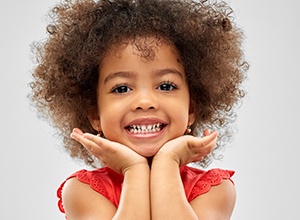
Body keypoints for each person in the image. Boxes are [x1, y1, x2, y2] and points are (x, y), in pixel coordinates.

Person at [30, 0, 248, 219]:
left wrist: (167, 161)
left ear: (191, 109)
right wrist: (134, 170)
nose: (144, 101)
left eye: (165, 86)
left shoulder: (214, 189)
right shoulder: (83, 191)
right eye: (122, 88)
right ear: (95, 114)